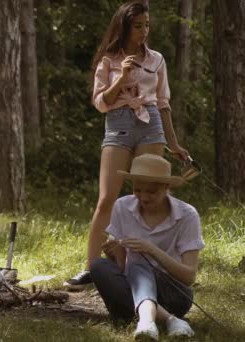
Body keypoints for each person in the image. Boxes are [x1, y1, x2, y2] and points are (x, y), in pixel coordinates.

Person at [63, 0, 189, 290]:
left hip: (151, 125)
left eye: (147, 25)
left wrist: (175, 144)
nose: (144, 31)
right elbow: (101, 102)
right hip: (118, 125)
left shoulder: (156, 59)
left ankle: (146, 268)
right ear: (124, 27)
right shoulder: (108, 60)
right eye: (137, 26)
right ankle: (93, 268)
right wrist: (120, 77)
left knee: (149, 196)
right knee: (107, 199)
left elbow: (163, 103)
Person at [90, 154, 204, 340]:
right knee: (98, 266)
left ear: (166, 187)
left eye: (151, 192)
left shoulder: (187, 215)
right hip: (133, 283)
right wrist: (116, 254)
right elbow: (122, 267)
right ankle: (165, 320)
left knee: (138, 266)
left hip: (173, 293)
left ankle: (143, 318)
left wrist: (151, 249)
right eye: (137, 190)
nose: (143, 197)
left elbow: (189, 277)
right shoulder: (122, 206)